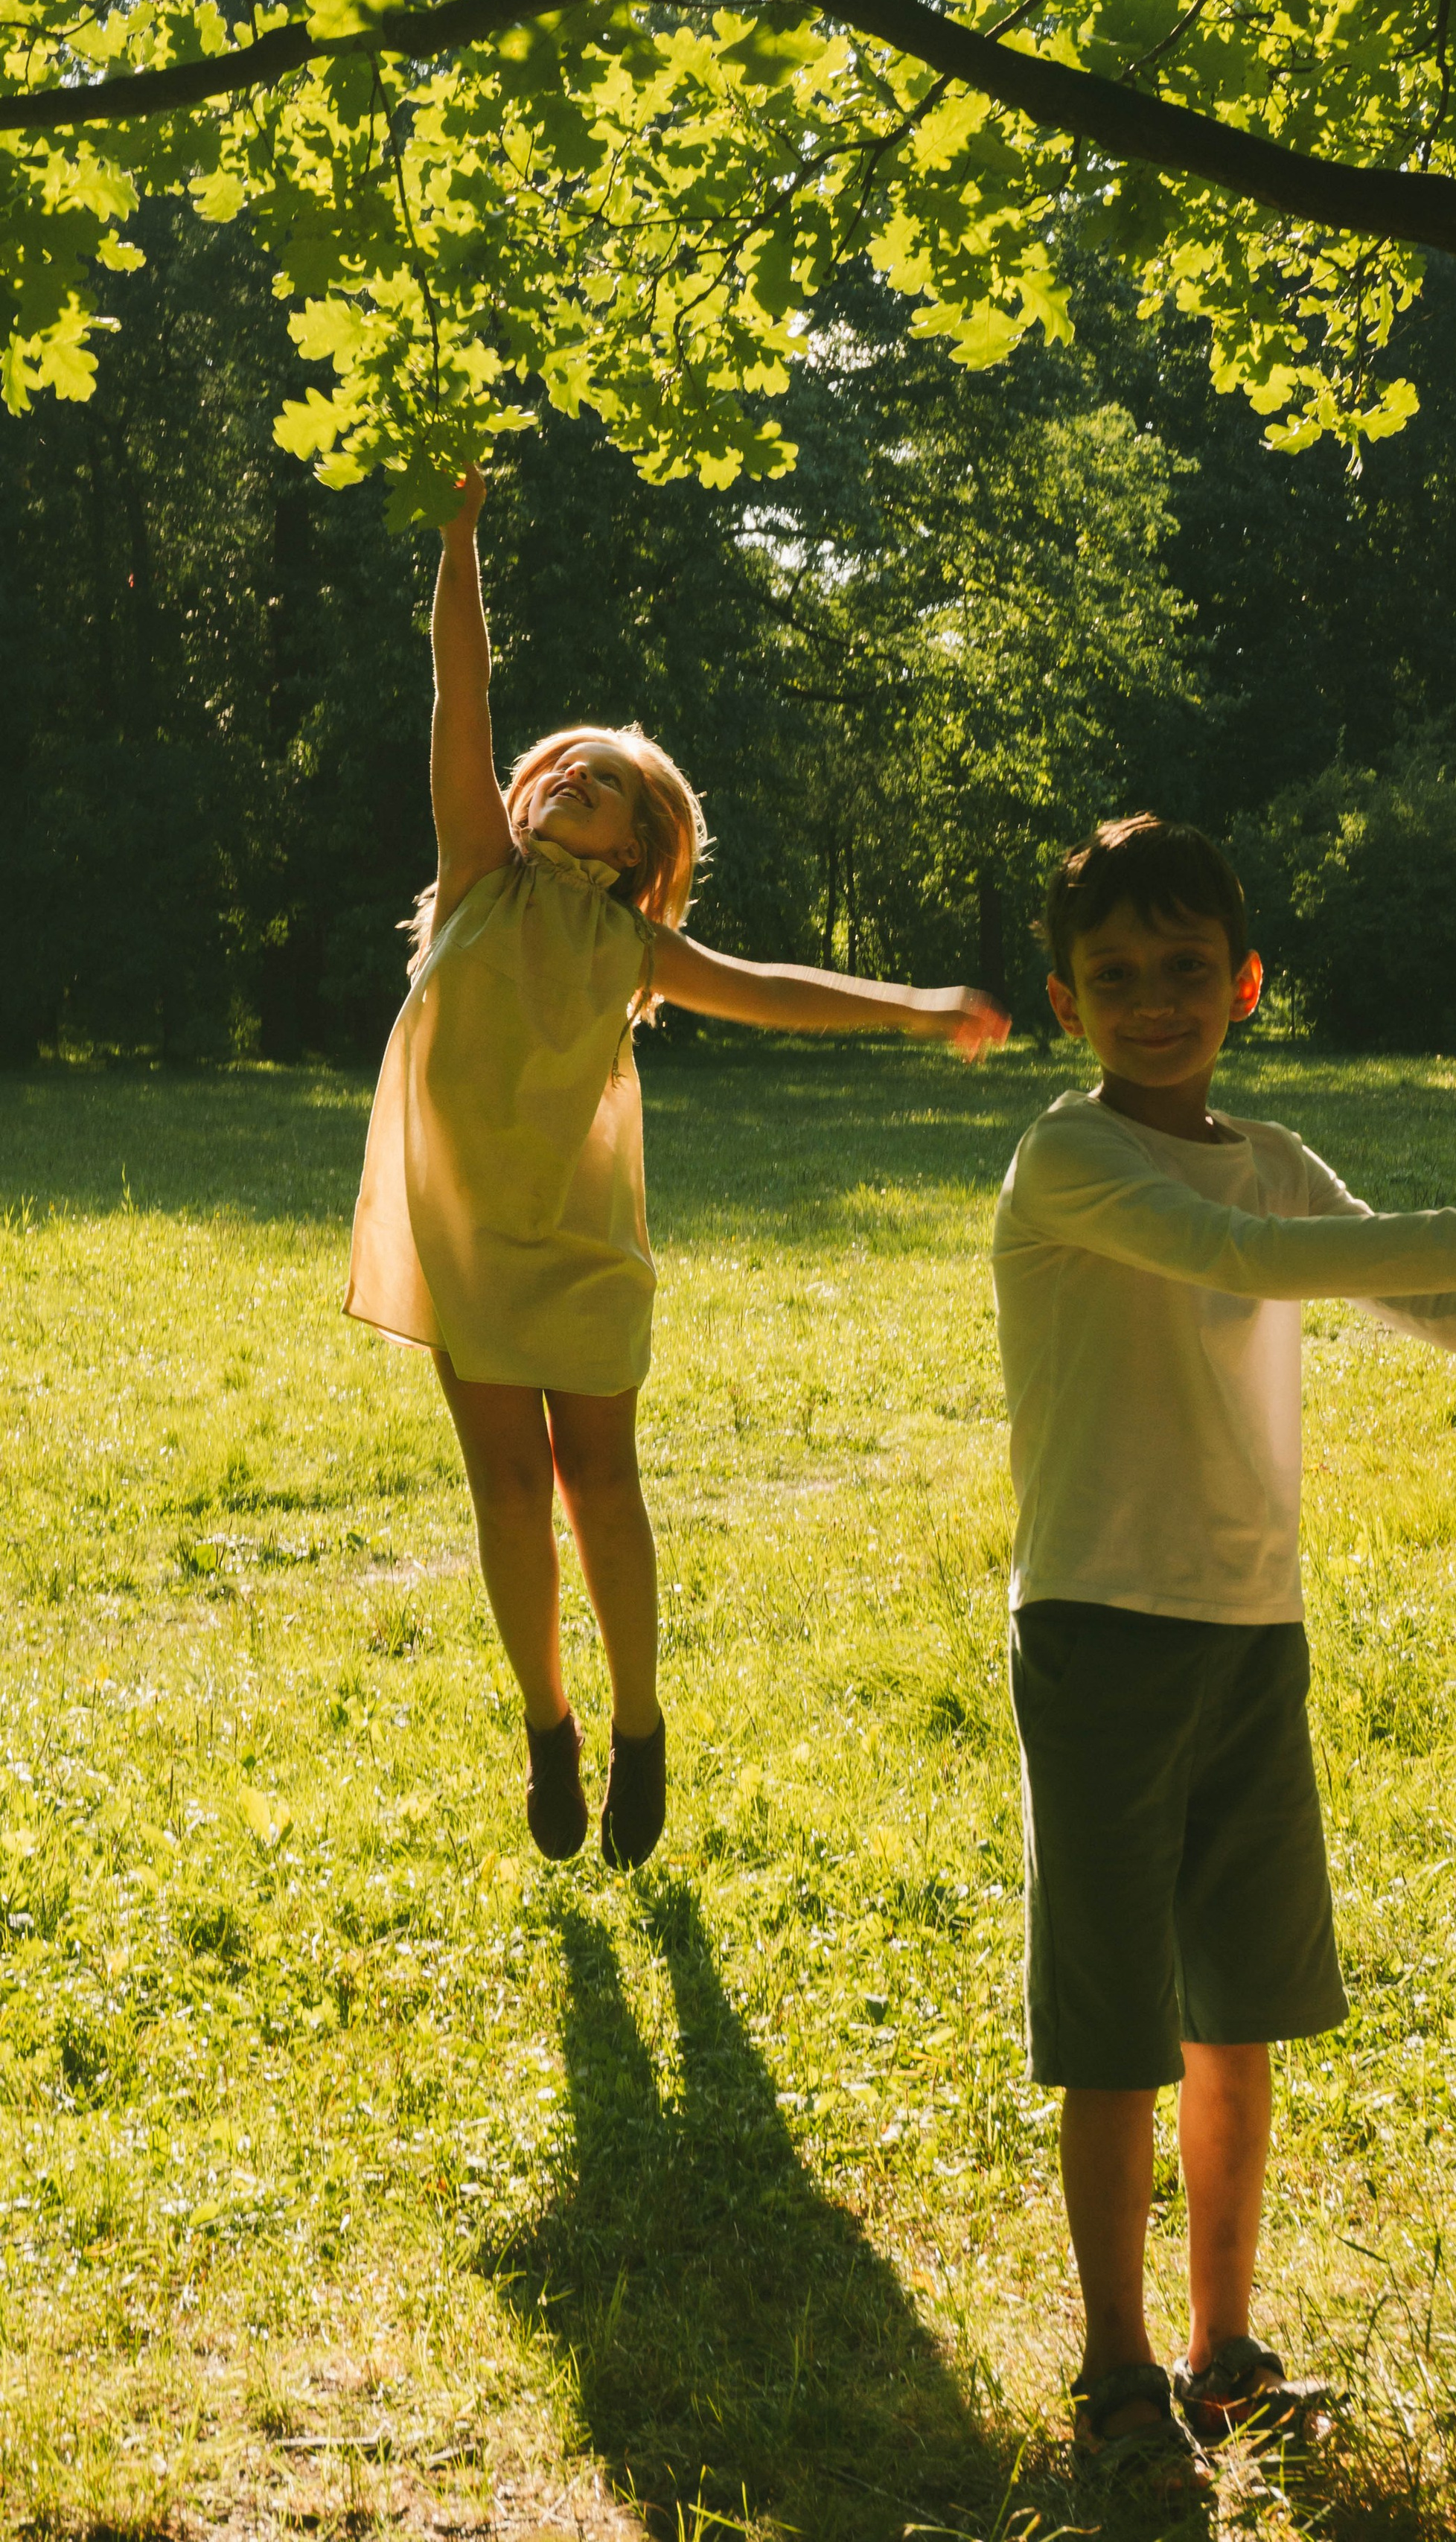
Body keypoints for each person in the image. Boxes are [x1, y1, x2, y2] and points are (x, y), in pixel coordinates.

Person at [991, 814, 1456, 2486]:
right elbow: (1244, 1261)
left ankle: (1224, 2351)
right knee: (1117, 2023)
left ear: (1244, 983)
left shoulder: (1276, 1151)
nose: (1153, 1001)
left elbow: (1442, 1318)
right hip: (1099, 1627)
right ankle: (1116, 2370)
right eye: (1113, 978)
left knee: (1235, 2011)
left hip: (1251, 1628)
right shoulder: (1068, 1158)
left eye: (1183, 969)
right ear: (1068, 1006)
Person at [345, 468, 1006, 1870]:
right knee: (506, 1491)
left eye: (603, 781)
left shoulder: (635, 949)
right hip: (470, 1247)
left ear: (638, 845)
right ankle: (549, 1723)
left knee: (600, 1482)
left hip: (582, 1247)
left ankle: (637, 1723)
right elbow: (461, 695)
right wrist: (460, 538)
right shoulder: (477, 879)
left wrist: (917, 1004)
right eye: (561, 766)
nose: (567, 776)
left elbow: (773, 988)